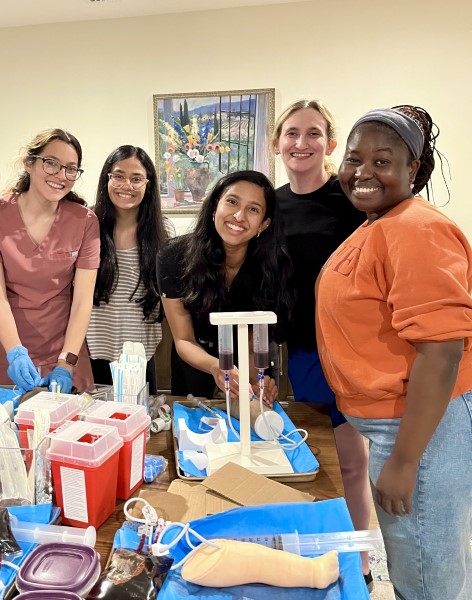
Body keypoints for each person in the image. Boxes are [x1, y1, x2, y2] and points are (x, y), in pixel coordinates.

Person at [317, 105, 472, 599]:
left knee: (427, 577)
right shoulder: (379, 223)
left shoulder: (415, 228)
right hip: (398, 425)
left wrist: (405, 461)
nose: (362, 172)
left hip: (422, 428)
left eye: (382, 161)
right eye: (354, 158)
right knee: (417, 564)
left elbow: (442, 350)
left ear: (414, 171)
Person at [272, 100, 372, 585]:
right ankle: (321, 558)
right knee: (314, 464)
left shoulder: (350, 199)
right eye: (292, 133)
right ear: (277, 143)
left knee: (352, 463)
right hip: (299, 351)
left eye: (313, 133)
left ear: (331, 144)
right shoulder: (271, 205)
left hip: (349, 350)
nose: (301, 143)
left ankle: (361, 560)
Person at [0, 129, 100, 394]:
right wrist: (16, 353)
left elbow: (82, 300)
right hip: (9, 351)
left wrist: (67, 362)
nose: (60, 175)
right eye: (51, 162)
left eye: (71, 169)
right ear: (29, 163)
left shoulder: (84, 221)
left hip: (65, 351)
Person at [156, 170, 292, 402]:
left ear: (264, 224)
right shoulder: (173, 256)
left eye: (253, 209)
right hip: (195, 357)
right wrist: (217, 367)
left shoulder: (272, 265)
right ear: (214, 207)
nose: (239, 216)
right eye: (232, 201)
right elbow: (183, 339)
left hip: (249, 358)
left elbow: (252, 339)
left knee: (255, 421)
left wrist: (254, 383)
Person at [87, 145, 175, 394]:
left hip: (139, 358)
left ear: (148, 184)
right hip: (93, 352)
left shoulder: (162, 234)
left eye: (136, 178)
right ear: (107, 178)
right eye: (118, 176)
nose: (127, 185)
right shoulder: (87, 226)